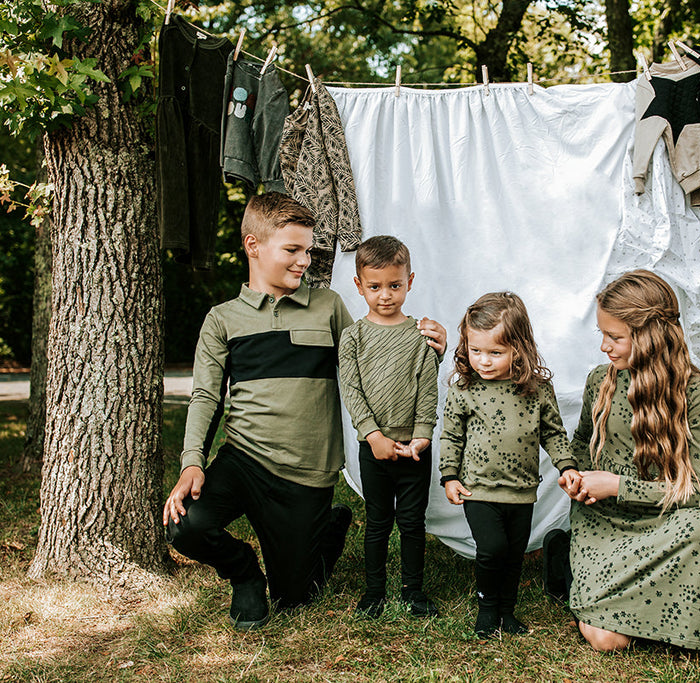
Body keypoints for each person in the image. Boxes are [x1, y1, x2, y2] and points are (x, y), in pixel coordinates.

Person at [162, 194, 446, 630]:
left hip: (307, 475)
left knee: (297, 596)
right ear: (253, 245)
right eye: (292, 250)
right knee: (186, 526)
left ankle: (328, 530)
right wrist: (192, 463)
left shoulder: (327, 306)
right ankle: (244, 574)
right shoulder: (223, 319)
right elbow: (205, 397)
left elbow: (373, 362)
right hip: (244, 460)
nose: (303, 261)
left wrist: (433, 350)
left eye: (308, 250)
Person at [554, 269, 700, 652]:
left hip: (668, 517)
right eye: (602, 334)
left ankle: (642, 597)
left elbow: (699, 490)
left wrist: (620, 485)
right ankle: (575, 568)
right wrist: (573, 471)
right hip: (606, 519)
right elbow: (582, 440)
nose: (604, 346)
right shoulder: (600, 381)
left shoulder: (696, 393)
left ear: (650, 338)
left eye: (615, 337)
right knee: (607, 641)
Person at [439, 292, 581, 638]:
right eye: (476, 351)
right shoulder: (465, 388)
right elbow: (451, 436)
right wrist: (449, 476)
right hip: (478, 488)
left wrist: (566, 466)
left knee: (514, 554)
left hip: (521, 491)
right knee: (492, 550)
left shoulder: (536, 390)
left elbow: (553, 433)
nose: (483, 361)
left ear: (519, 348)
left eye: (495, 352)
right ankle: (487, 613)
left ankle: (507, 613)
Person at [339, 236, 441, 618]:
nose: (385, 295)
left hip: (415, 448)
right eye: (375, 286)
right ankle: (373, 592)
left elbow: (427, 388)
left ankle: (414, 591)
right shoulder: (353, 337)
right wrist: (374, 436)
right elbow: (351, 389)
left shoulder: (420, 335)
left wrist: (422, 436)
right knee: (378, 523)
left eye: (394, 286)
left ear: (409, 282)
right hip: (375, 448)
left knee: (413, 523)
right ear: (359, 285)